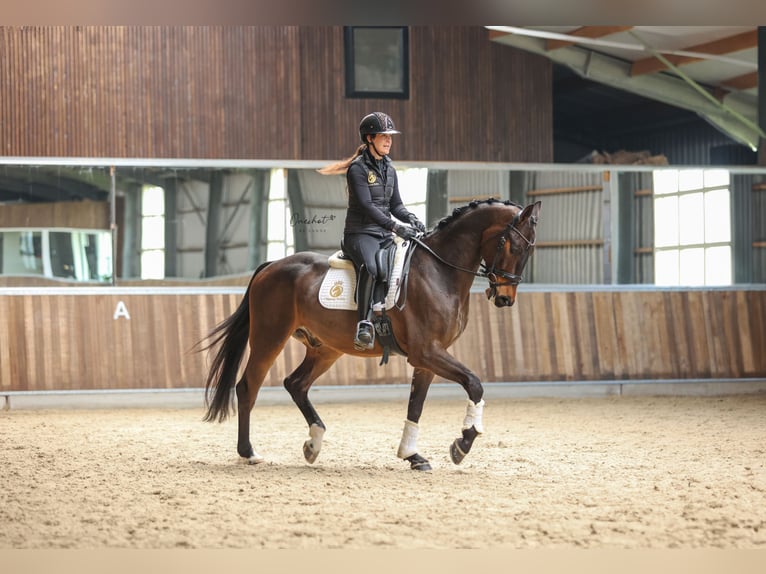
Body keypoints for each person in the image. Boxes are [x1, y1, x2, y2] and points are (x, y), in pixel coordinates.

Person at [319, 112, 426, 350]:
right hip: (359, 234)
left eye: (390, 137)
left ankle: (385, 316)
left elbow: (395, 205)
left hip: (383, 235)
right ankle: (364, 325)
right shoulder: (357, 169)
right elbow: (367, 207)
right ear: (369, 138)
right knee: (372, 267)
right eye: (383, 136)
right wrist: (396, 226)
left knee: (396, 267)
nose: (389, 141)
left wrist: (411, 218)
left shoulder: (389, 168)